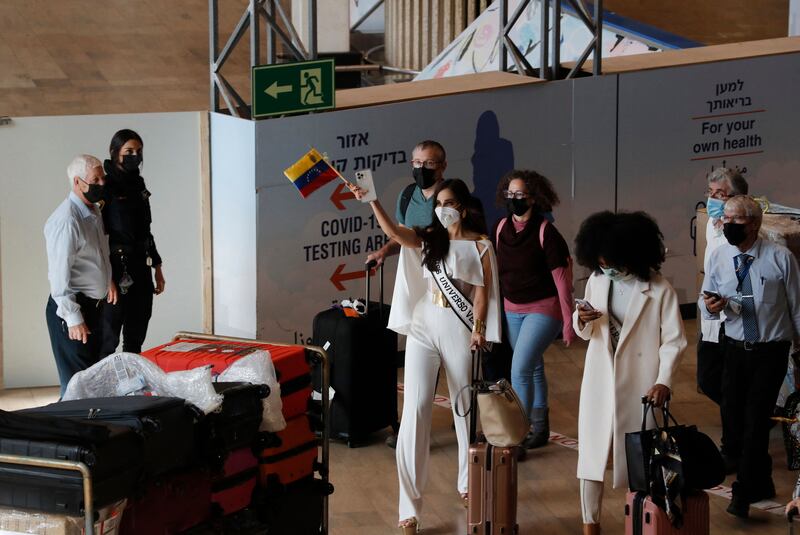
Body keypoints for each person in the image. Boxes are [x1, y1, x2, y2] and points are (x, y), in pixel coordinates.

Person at [350, 178, 501, 534]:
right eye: (439, 203)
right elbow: (395, 232)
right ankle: (409, 506)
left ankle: (467, 484)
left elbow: (482, 295)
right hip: (423, 325)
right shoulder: (430, 237)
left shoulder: (480, 245)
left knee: (463, 410)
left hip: (459, 329)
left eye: (448, 202)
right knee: (416, 411)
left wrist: (479, 329)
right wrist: (372, 200)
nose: (442, 208)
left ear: (462, 207)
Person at [573, 211, 686, 535]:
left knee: (639, 461)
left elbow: (674, 341)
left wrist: (664, 380)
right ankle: (589, 525)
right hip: (599, 379)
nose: (606, 268)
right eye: (601, 262)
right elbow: (584, 332)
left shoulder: (660, 289)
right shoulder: (597, 280)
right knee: (590, 459)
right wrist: (583, 319)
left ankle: (639, 523)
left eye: (612, 263)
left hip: (641, 384)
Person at [701, 195, 800, 518]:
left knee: (757, 421)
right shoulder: (718, 256)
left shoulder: (781, 259)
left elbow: (797, 308)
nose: (729, 227)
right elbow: (706, 300)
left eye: (737, 222)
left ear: (755, 224)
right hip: (733, 346)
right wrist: (711, 307)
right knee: (733, 418)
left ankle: (743, 492)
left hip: (770, 351)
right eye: (726, 221)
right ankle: (763, 481)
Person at [366, 139, 448, 449]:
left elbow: (417, 238)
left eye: (428, 164)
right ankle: (414, 430)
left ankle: (472, 427)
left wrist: (374, 204)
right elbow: (401, 234)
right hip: (415, 284)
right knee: (420, 363)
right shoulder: (408, 194)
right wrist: (384, 252)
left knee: (452, 365)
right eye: (416, 163)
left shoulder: (449, 196)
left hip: (444, 286)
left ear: (442, 166)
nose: (421, 169)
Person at [491, 169, 575, 450]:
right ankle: (540, 428)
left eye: (520, 195)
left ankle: (517, 434)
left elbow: (563, 283)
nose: (514, 199)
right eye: (509, 194)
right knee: (533, 366)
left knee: (520, 369)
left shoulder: (546, 232)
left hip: (544, 308)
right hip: (512, 308)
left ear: (534, 198)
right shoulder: (501, 228)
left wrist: (568, 321)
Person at [45, 155, 117, 395]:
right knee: (76, 385)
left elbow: (97, 254)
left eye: (102, 177)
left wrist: (108, 281)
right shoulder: (67, 221)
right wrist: (73, 318)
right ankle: (67, 431)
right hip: (73, 310)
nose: (102, 183)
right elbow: (58, 277)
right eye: (95, 179)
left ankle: (90, 428)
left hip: (94, 306)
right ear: (78, 183)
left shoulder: (93, 210)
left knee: (91, 380)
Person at [698, 168, 748, 467]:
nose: (714, 200)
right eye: (711, 193)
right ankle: (745, 416)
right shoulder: (711, 226)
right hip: (710, 311)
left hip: (737, 316)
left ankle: (733, 447)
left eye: (721, 195)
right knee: (708, 378)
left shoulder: (744, 228)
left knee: (730, 383)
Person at [100, 129, 165, 357]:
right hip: (116, 268)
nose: (134, 156)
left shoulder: (138, 184)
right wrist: (106, 278)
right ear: (115, 152)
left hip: (141, 265)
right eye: (128, 151)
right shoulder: (105, 187)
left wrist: (157, 266)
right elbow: (99, 237)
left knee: (136, 333)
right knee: (109, 337)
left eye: (138, 151)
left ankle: (130, 387)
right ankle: (104, 389)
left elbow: (146, 230)